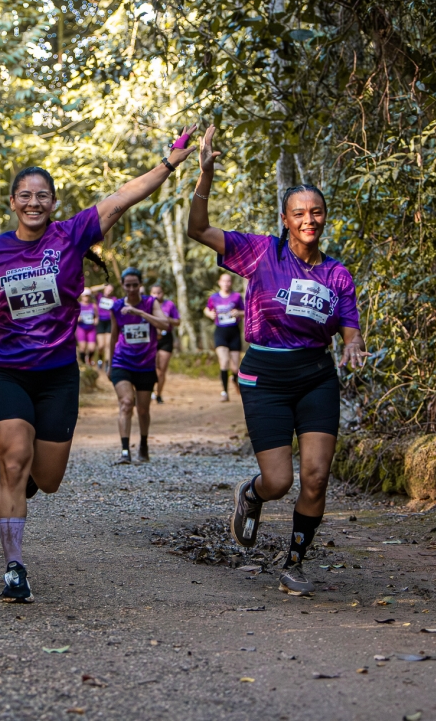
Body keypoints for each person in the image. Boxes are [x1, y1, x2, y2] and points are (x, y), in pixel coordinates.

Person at [0, 124, 198, 603]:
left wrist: (169, 162)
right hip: (7, 371)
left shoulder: (72, 234)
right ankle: (14, 568)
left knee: (48, 478)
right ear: (13, 203)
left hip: (58, 376)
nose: (33, 202)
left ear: (53, 202)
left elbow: (123, 196)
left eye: (42, 195)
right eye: (25, 196)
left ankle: (24, 486)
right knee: (13, 461)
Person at [186, 126, 369, 597]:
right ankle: (251, 495)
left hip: (316, 377)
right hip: (265, 377)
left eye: (316, 212)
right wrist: (205, 175)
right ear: (285, 219)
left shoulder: (337, 274)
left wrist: (352, 344)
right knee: (279, 480)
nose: (309, 219)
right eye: (299, 213)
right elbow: (198, 229)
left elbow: (349, 324)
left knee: (316, 477)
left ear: (325, 217)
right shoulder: (261, 252)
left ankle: (294, 562)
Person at [108, 267, 171, 464]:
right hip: (122, 362)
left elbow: (164, 324)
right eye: (128, 285)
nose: (132, 289)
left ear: (140, 285)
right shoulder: (116, 307)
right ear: (122, 286)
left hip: (145, 364)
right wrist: (110, 364)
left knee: (143, 410)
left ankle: (143, 445)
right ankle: (125, 451)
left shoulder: (150, 303)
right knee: (127, 403)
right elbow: (113, 336)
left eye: (135, 285)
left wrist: (140, 313)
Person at [204, 272, 244, 401]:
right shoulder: (214, 297)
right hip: (220, 332)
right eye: (224, 281)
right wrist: (210, 314)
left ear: (231, 283)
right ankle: (224, 392)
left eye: (228, 281)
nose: (226, 284)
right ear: (219, 282)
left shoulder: (236, 297)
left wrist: (238, 313)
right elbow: (207, 309)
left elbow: (245, 312)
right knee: (224, 361)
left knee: (235, 367)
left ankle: (234, 378)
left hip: (234, 332)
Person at [149, 284, 181, 403]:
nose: (156, 295)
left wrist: (167, 319)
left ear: (163, 293)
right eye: (154, 293)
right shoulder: (147, 305)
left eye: (159, 292)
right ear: (150, 293)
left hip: (166, 339)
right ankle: (149, 391)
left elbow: (178, 322)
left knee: (161, 369)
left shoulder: (170, 305)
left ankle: (159, 394)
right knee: (151, 367)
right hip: (151, 339)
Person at [95, 283, 116, 372]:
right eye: (107, 289)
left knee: (108, 345)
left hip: (109, 322)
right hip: (100, 322)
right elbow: (90, 289)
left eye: (111, 290)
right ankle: (100, 359)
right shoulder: (99, 296)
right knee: (101, 345)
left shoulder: (114, 299)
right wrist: (101, 286)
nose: (109, 291)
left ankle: (107, 363)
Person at [76, 288, 99, 366]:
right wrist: (78, 318)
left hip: (91, 328)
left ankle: (89, 360)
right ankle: (83, 363)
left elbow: (97, 316)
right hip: (81, 328)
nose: (86, 297)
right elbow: (73, 317)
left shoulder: (93, 305)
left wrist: (96, 320)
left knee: (92, 348)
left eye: (87, 296)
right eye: (85, 296)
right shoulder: (78, 305)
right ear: (81, 296)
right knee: (82, 347)